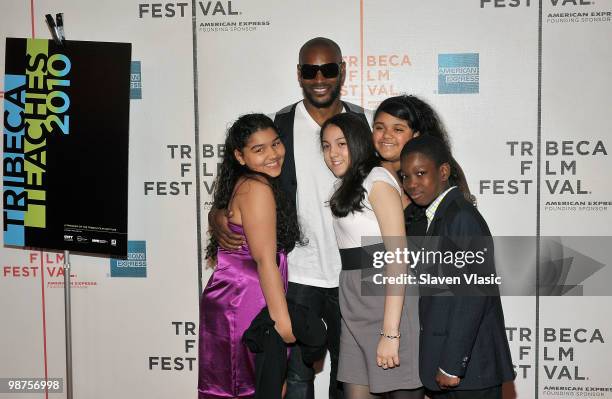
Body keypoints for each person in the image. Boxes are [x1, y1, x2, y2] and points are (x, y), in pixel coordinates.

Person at [209, 37, 370, 399]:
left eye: (328, 69)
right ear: (299, 74)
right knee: (296, 378)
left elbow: (395, 176)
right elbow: (243, 180)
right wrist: (218, 212)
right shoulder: (279, 124)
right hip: (297, 273)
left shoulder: (363, 122)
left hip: (353, 273)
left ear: (341, 71)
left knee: (350, 379)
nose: (319, 78)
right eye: (310, 70)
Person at [399, 135, 515, 399]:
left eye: (420, 173)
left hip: (470, 372)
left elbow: (472, 296)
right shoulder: (439, 216)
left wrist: (452, 364)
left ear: (443, 172)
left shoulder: (461, 217)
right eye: (405, 176)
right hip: (453, 369)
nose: (412, 184)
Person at [321, 112, 424, 399]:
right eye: (326, 146)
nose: (333, 153)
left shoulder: (377, 180)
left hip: (385, 295)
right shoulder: (343, 185)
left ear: (358, 142)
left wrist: (391, 333)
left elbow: (398, 257)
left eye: (341, 144)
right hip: (353, 297)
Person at [198, 114, 301, 399]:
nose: (272, 154)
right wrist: (283, 325)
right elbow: (264, 260)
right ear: (239, 156)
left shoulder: (253, 182)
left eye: (276, 144)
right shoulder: (256, 187)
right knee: (248, 387)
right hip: (244, 300)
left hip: (240, 295)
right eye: (259, 149)